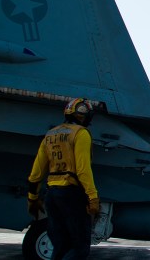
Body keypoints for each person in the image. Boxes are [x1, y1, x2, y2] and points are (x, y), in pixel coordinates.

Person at [27, 98, 100, 260]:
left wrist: (32, 198)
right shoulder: (81, 134)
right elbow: (83, 170)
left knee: (60, 247)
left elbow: (36, 172)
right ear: (83, 116)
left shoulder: (50, 135)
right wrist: (93, 196)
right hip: (72, 195)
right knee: (79, 248)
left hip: (51, 196)